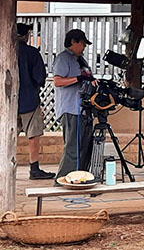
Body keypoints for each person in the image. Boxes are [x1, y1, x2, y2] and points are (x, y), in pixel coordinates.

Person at [54, 29, 95, 180]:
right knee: (72, 148)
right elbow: (58, 81)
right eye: (83, 44)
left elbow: (86, 78)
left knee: (85, 147)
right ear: (73, 42)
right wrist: (78, 79)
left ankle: (80, 178)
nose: (84, 47)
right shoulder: (63, 59)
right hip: (71, 109)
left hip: (84, 110)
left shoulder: (81, 60)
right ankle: (63, 180)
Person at [16, 23, 55, 180]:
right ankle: (34, 168)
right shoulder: (32, 53)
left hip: (6, 102)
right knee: (33, 135)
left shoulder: (4, 49)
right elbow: (40, 77)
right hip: (29, 99)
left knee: (6, 134)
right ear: (26, 36)